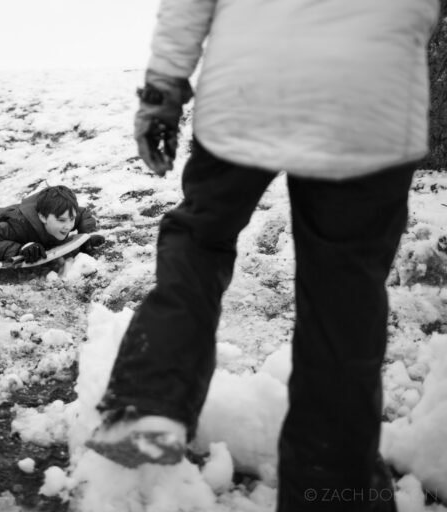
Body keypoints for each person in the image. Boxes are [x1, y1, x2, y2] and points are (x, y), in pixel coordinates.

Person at [85, 1, 440, 511]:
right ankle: (331, 489)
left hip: (249, 85)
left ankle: (149, 397)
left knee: (200, 238)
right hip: (370, 91)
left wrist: (162, 91)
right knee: (345, 296)